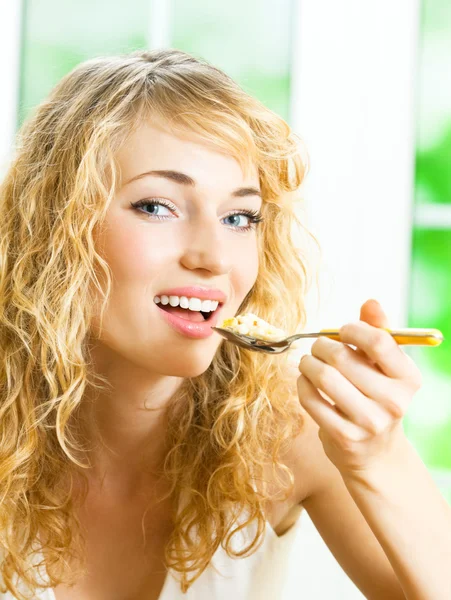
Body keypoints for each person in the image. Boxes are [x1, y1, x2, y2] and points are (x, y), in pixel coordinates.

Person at [0, 48, 449, 600]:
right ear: (54, 226)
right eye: (157, 207)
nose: (214, 257)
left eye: (239, 217)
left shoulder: (284, 431)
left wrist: (380, 457)